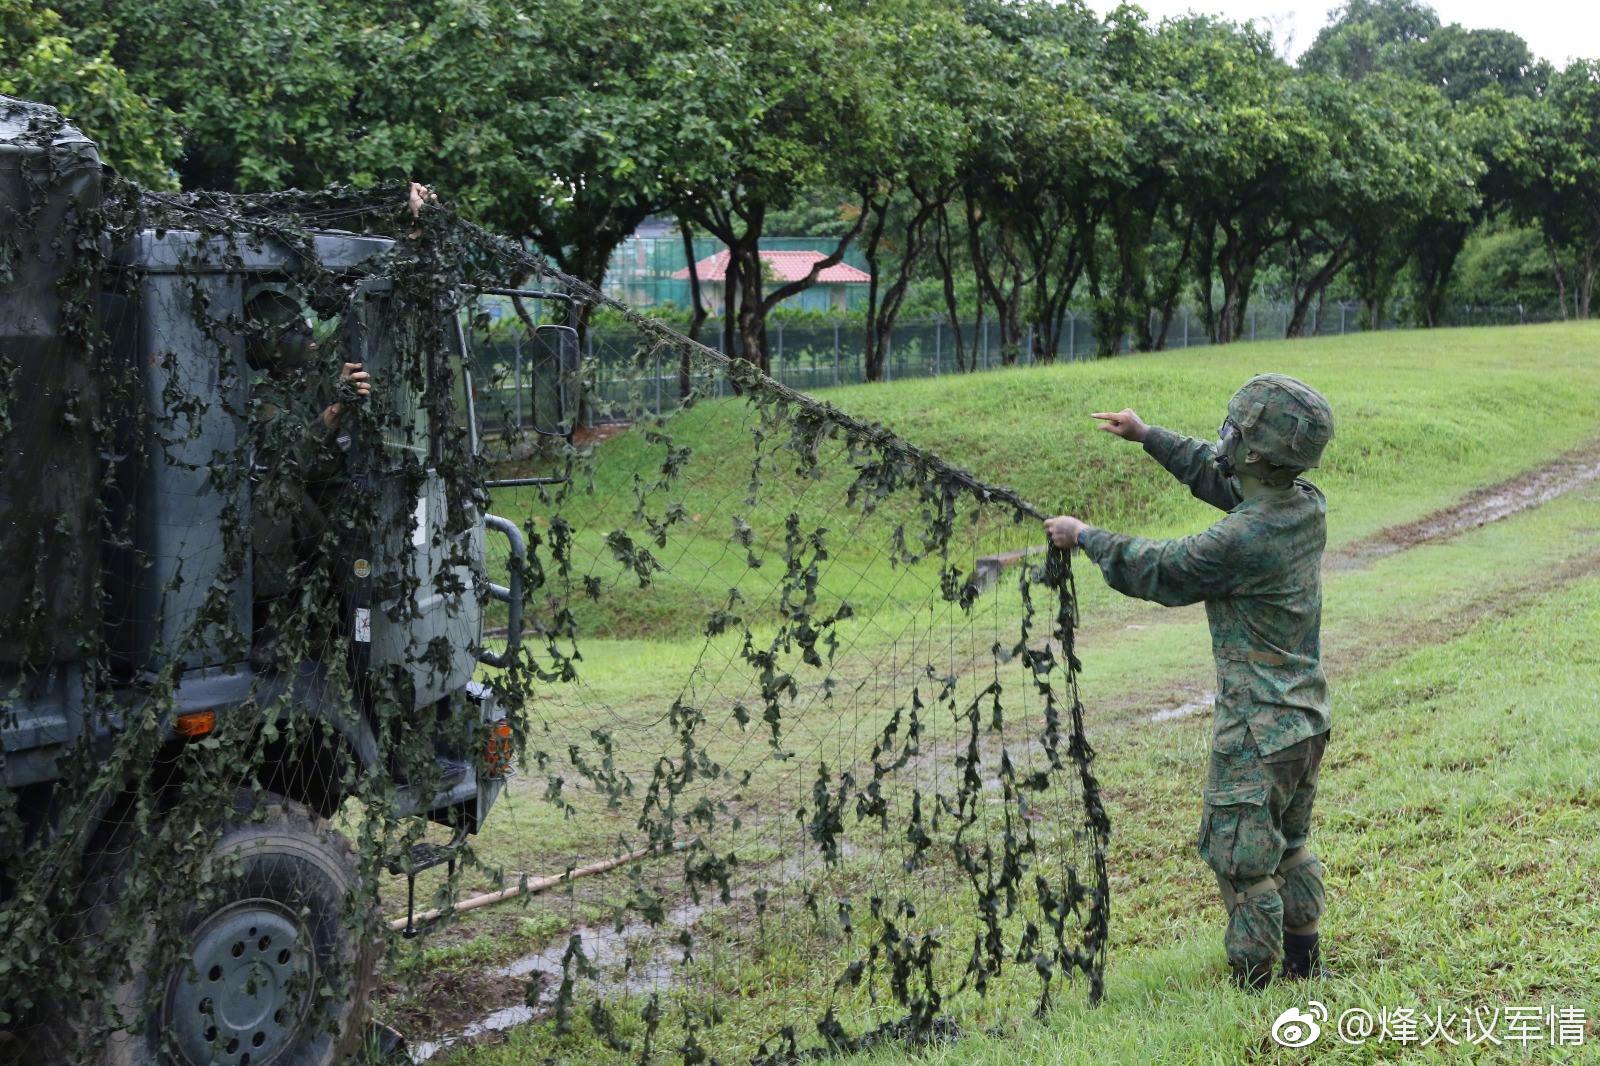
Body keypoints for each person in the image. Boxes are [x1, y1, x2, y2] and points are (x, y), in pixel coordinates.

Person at [1043, 376, 1335, 991]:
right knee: (1291, 845)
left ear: (1255, 452)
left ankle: (1256, 989)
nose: (1224, 437)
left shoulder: (1240, 540)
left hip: (1255, 730)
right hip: (1305, 720)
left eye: (1235, 431)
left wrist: (1085, 536)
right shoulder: (1305, 503)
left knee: (1241, 864)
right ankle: (1306, 965)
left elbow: (1163, 568)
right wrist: (1147, 435)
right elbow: (1220, 474)